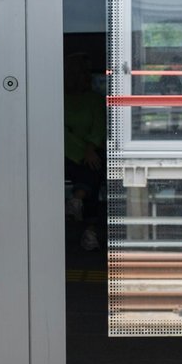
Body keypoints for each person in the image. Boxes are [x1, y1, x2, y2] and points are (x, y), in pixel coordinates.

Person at [63, 53, 107, 253]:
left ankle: (77, 200)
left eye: (81, 74)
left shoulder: (94, 100)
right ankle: (89, 229)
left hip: (87, 152)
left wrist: (90, 148)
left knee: (94, 168)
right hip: (62, 151)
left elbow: (99, 127)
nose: (77, 78)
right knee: (91, 171)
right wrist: (84, 150)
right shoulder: (56, 99)